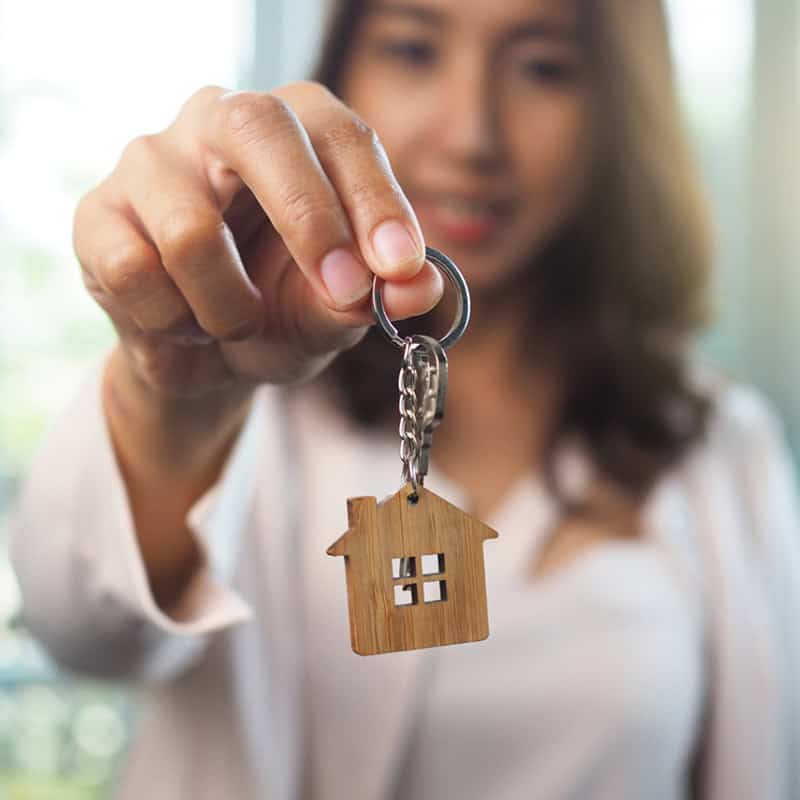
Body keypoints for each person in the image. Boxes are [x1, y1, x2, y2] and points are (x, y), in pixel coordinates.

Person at [8, 0, 800, 797]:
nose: (472, 135)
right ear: (343, 71)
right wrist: (177, 394)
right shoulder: (251, 387)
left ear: (619, 111)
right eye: (415, 50)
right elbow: (84, 630)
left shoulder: (722, 447)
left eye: (544, 67)